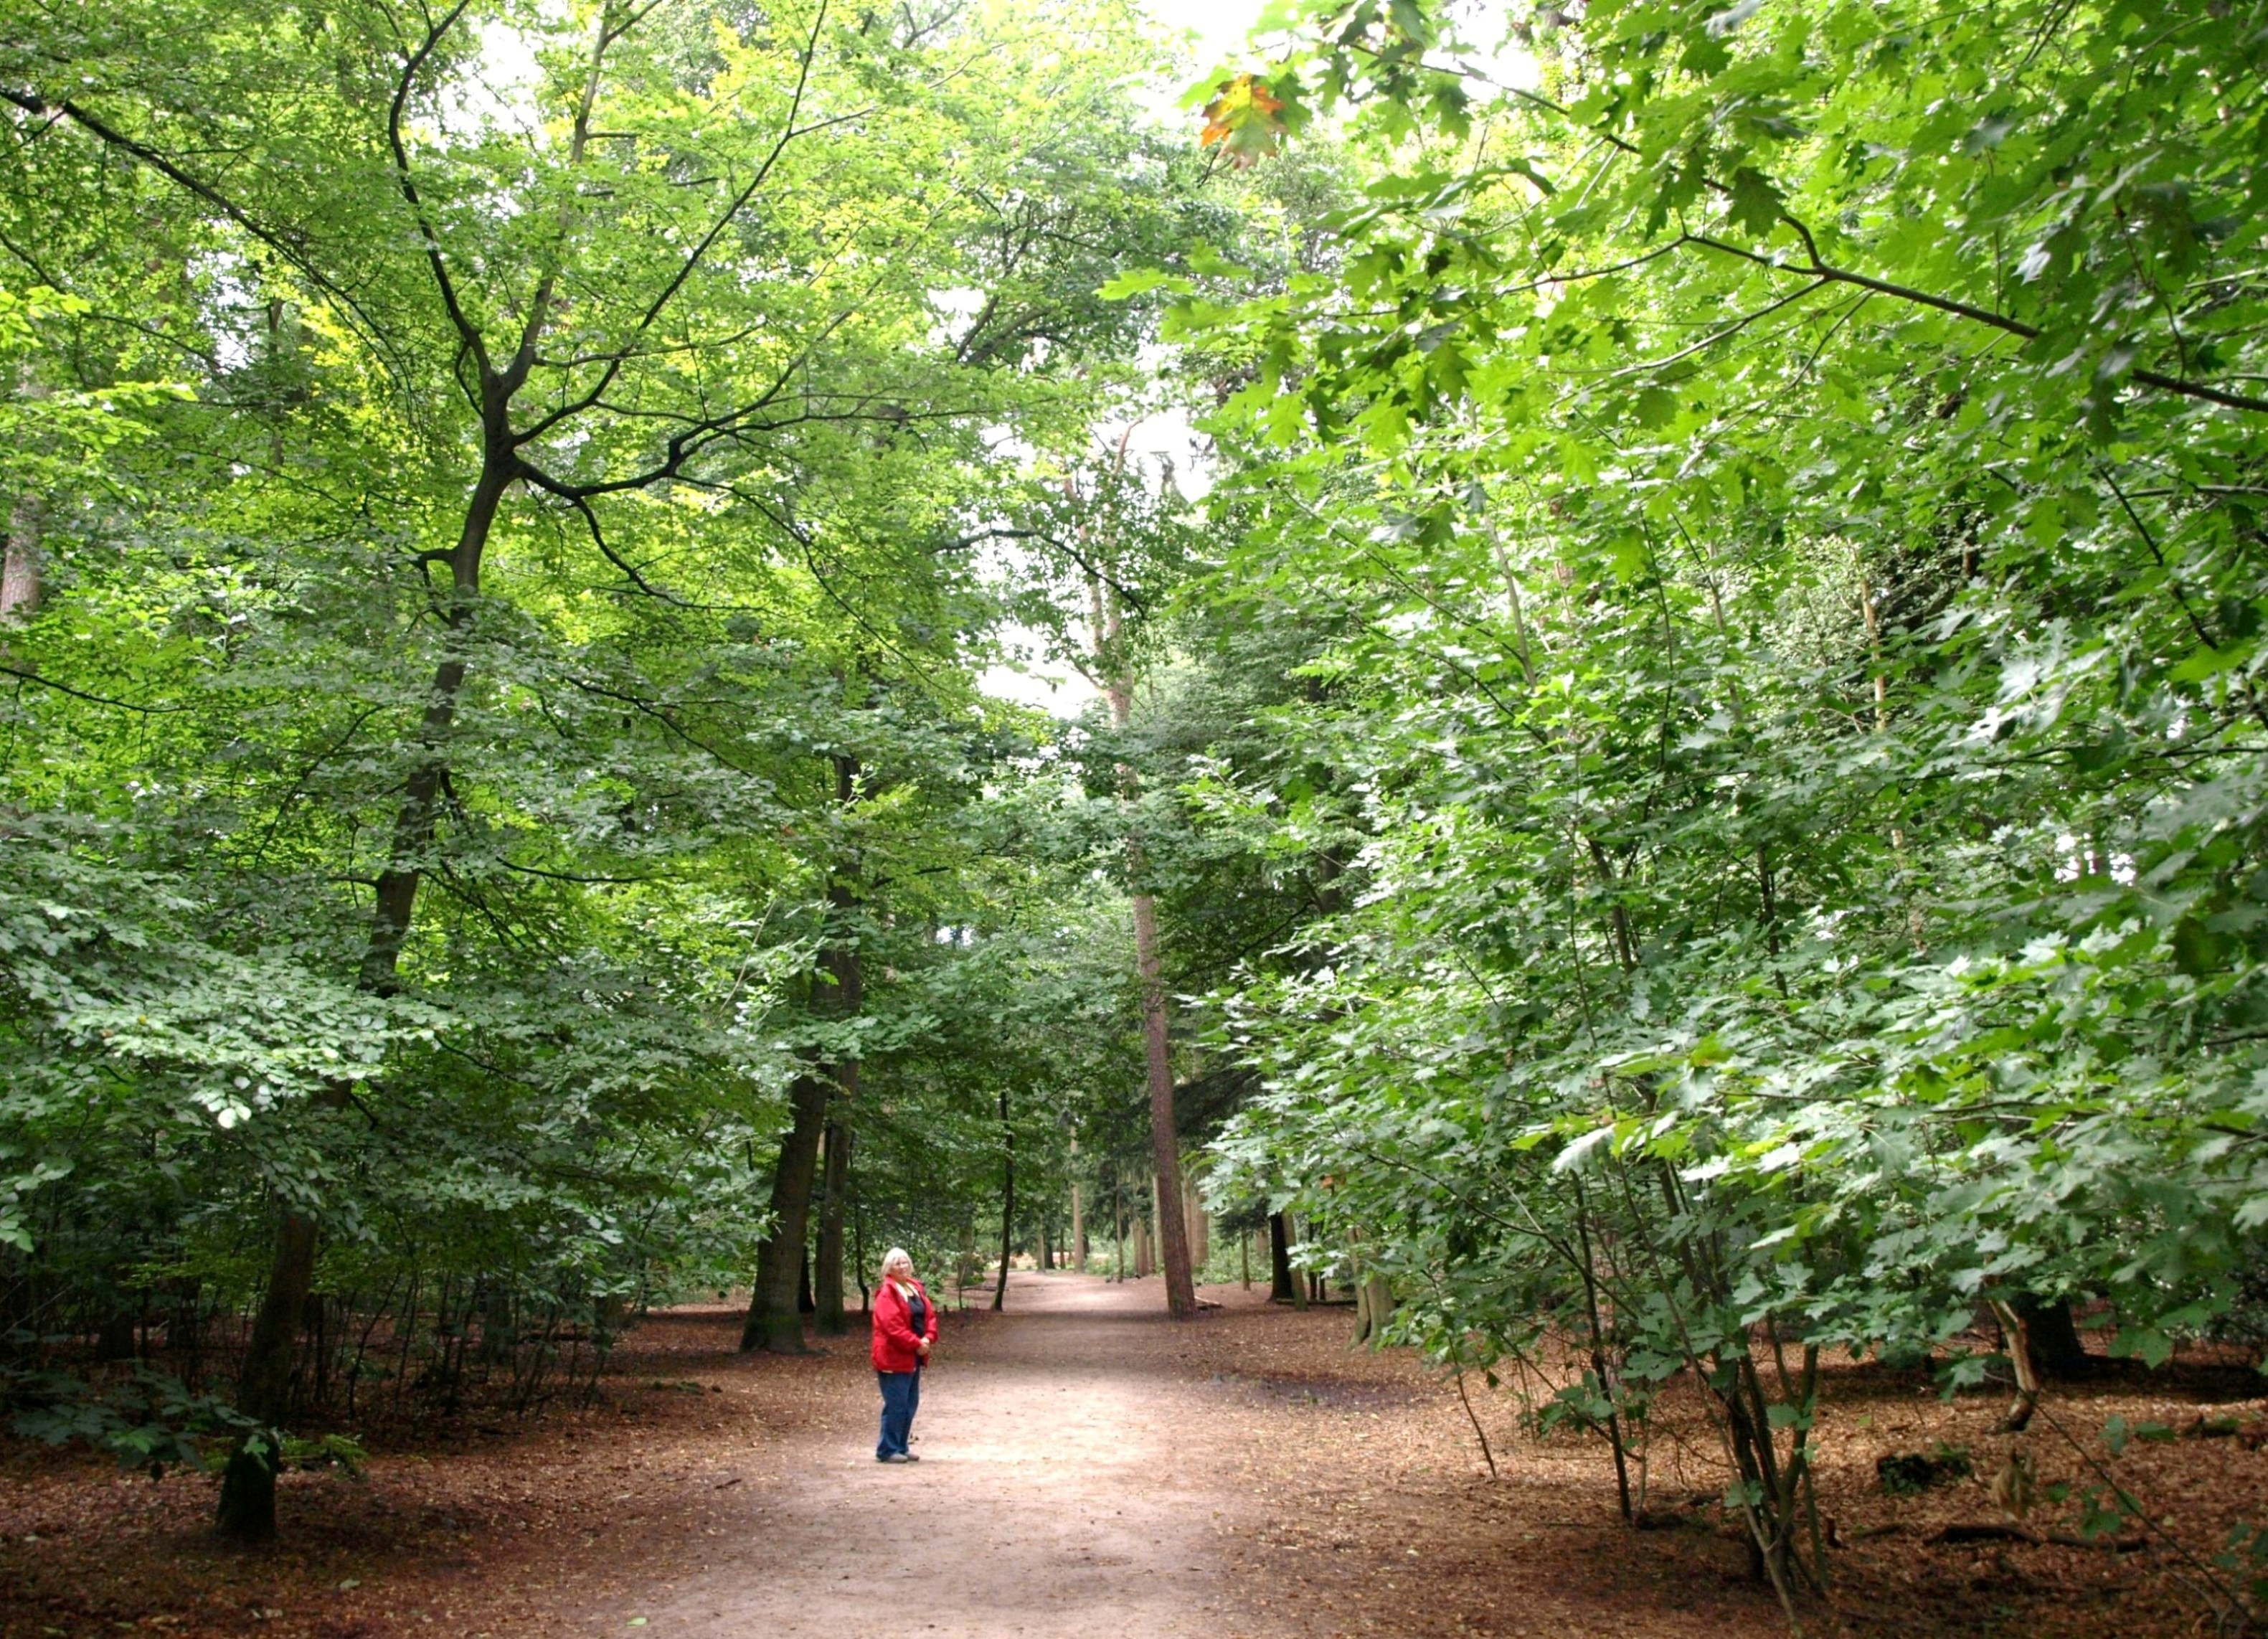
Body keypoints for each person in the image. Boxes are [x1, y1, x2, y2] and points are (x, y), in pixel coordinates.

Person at [870, 1247, 936, 1463]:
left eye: (905, 1262)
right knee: (896, 1404)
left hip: (914, 1355)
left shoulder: (915, 1288)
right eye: (897, 1264)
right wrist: (916, 1343)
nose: (902, 1267)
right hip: (893, 1356)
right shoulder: (887, 1293)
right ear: (889, 1268)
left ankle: (901, 1445)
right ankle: (887, 1449)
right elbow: (892, 1327)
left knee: (910, 1403)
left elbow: (930, 1316)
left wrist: (928, 1338)